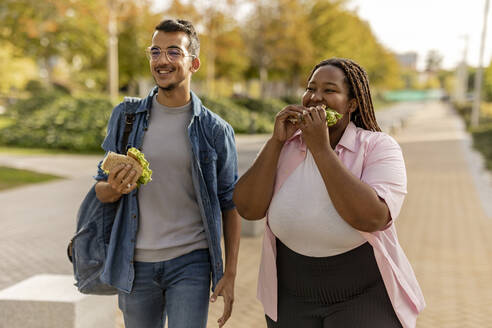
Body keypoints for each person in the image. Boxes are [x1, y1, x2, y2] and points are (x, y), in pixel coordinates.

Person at [233, 58, 425, 328]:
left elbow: (373, 217)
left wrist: (321, 149)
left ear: (352, 104)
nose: (315, 98)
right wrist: (275, 142)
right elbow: (248, 209)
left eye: (329, 90)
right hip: (291, 297)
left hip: (363, 295)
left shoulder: (379, 147)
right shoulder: (286, 145)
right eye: (311, 88)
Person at [94, 19, 241, 328]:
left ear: (194, 63)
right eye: (155, 51)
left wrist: (230, 273)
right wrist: (116, 188)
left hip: (191, 261)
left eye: (174, 52)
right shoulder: (127, 117)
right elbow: (100, 190)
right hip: (135, 263)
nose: (162, 60)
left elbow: (230, 203)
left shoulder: (215, 130)